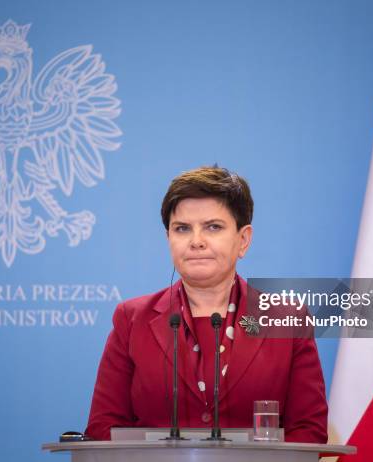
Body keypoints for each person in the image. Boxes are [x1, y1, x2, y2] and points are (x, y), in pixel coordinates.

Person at [84, 166, 328, 442]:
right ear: (169, 239)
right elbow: (104, 427)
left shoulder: (287, 318)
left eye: (213, 227)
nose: (196, 241)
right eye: (182, 229)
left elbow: (309, 431)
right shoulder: (132, 318)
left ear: (243, 239)